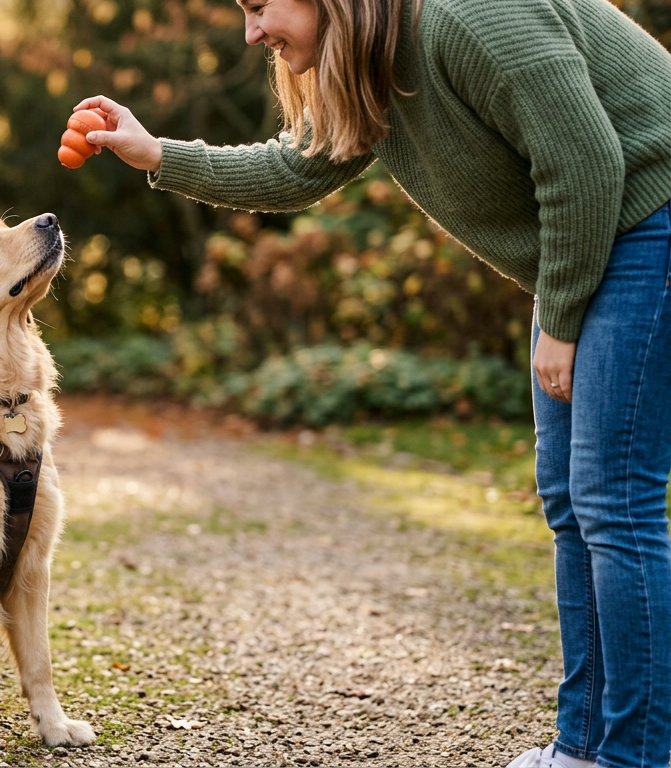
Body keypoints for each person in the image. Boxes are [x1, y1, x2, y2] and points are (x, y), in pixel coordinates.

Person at [76, 0, 671, 766]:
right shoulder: (374, 64)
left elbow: (586, 161)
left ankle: (636, 754)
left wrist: (558, 320)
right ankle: (586, 744)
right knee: (569, 498)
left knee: (611, 501)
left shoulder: (468, 17)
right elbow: (293, 168)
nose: (253, 32)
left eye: (261, 6)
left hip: (648, 220)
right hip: (599, 243)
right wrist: (157, 152)